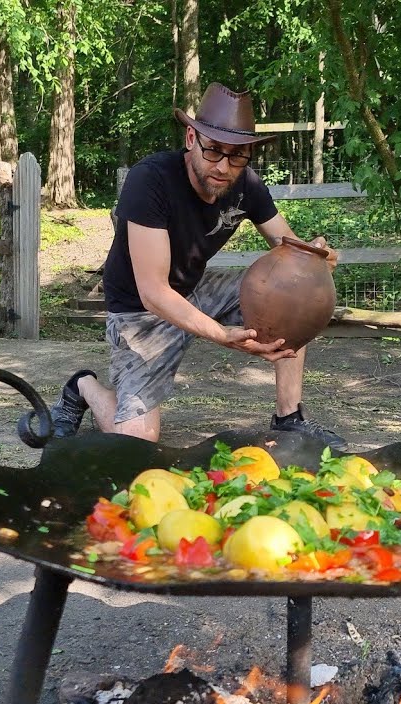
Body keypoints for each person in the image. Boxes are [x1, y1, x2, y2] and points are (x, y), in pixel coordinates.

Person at [50, 82, 347, 450]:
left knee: (291, 295)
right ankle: (84, 386)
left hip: (196, 289)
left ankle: (289, 420)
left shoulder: (246, 184)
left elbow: (288, 246)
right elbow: (153, 292)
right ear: (191, 138)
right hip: (140, 312)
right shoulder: (151, 180)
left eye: (237, 156)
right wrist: (220, 334)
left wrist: (316, 256)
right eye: (214, 150)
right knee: (137, 444)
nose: (223, 166)